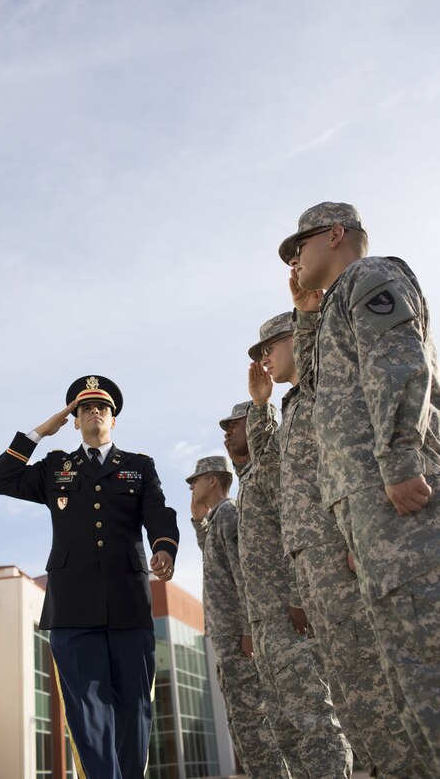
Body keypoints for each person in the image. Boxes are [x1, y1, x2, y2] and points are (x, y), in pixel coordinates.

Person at [280, 201, 440, 772]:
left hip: (399, 501)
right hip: (369, 517)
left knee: (427, 671)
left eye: (300, 246)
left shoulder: (371, 277)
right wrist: (303, 316)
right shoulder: (332, 309)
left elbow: (398, 359)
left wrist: (400, 458)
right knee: (406, 684)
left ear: (338, 234)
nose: (294, 259)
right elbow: (324, 399)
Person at [247, 311, 426, 777]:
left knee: (383, 691)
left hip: (346, 555)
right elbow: (269, 480)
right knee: (352, 697)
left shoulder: (329, 387)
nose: (265, 358)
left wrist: (358, 535)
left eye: (271, 346)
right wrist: (261, 406)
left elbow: (359, 458)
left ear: (299, 339)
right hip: (315, 568)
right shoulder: (292, 408)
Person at [0, 374, 179, 779]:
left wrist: (164, 546)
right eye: (84, 408)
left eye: (103, 407)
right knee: (87, 715)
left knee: (134, 709)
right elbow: (0, 479)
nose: (95, 412)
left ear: (114, 419)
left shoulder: (138, 466)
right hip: (72, 608)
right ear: (74, 419)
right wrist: (41, 430)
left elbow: (158, 511)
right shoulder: (56, 466)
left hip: (129, 604)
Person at [220, 402, 352, 778]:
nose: (228, 433)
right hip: (266, 627)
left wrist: (299, 598)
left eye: (236, 424)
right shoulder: (246, 486)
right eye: (225, 428)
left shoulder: (271, 472)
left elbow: (293, 527)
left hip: (289, 620)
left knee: (314, 720)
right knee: (285, 729)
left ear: (260, 424)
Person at [187, 455, 284, 778]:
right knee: (241, 720)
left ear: (212, 481)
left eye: (195, 481)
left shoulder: (229, 513)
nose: (192, 487)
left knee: (251, 719)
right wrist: (197, 521)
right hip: (226, 634)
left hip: (237, 634)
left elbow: (243, 572)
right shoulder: (216, 519)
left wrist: (247, 627)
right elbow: (214, 559)